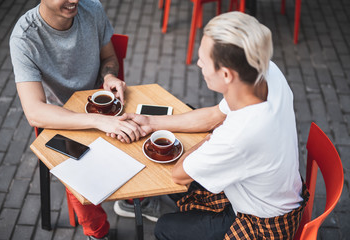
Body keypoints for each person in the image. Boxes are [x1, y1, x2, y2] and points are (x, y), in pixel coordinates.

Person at [125, 12, 309, 240]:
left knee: (166, 227)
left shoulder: (237, 136)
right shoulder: (266, 72)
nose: (198, 63)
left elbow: (180, 175)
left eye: (203, 58)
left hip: (262, 223)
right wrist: (152, 122)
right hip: (271, 190)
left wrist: (208, 140)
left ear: (225, 74)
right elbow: (214, 115)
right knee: (189, 121)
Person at [9, 0, 158, 239]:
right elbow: (34, 112)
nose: (75, 0)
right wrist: (99, 122)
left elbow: (108, 56)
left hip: (101, 106)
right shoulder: (24, 38)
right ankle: (97, 233)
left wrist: (109, 75)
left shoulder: (92, 8)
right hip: (60, 117)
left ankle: (133, 201)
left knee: (141, 135)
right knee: (75, 172)